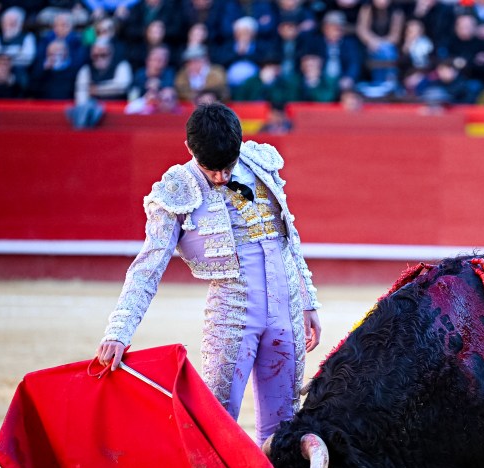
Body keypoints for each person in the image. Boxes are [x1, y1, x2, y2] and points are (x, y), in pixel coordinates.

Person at [95, 102, 322, 445]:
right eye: (211, 169)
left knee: (284, 427)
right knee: (216, 425)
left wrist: (307, 300)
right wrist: (119, 330)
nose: (221, 177)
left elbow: (288, 237)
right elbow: (148, 267)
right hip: (232, 313)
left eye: (228, 166)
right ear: (189, 148)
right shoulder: (176, 189)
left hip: (287, 309)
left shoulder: (261, 162)